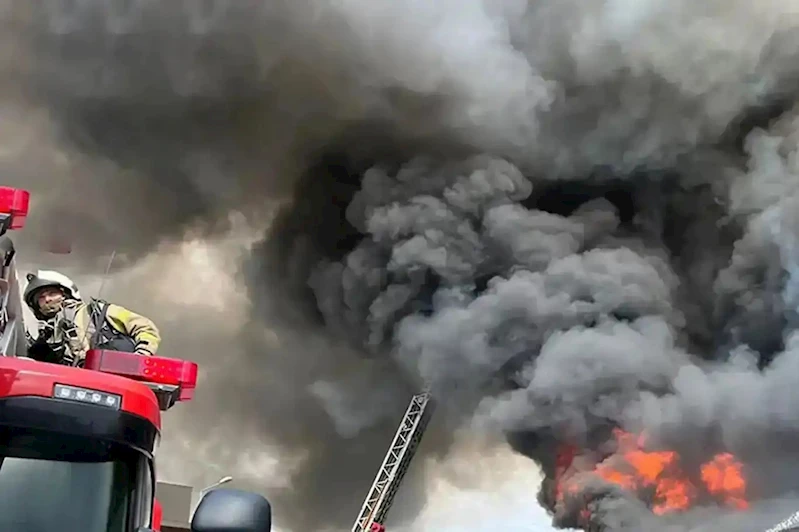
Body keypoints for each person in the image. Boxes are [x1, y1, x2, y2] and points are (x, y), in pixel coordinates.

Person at [23, 269, 161, 366]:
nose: (47, 299)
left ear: (65, 293)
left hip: (115, 379)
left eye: (52, 293)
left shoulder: (98, 312)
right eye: (41, 297)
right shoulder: (47, 338)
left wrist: (141, 356)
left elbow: (145, 327)